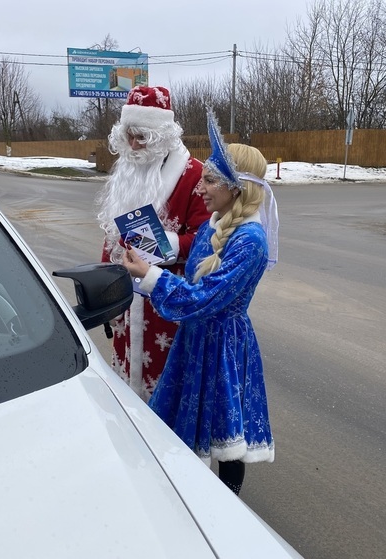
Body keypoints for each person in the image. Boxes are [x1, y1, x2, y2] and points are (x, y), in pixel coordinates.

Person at [120, 108, 279, 496]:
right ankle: (186, 493)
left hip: (223, 344)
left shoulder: (250, 241)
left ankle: (227, 504)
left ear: (236, 186)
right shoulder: (214, 225)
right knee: (187, 416)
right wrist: (141, 275)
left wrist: (150, 277)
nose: (200, 188)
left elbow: (205, 298)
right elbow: (191, 284)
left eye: (209, 180)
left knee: (224, 429)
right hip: (197, 338)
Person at [96, 85, 211, 402]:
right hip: (126, 306)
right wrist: (105, 293)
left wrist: (158, 246)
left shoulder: (194, 176)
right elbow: (112, 235)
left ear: (162, 135)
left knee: (167, 393)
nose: (133, 145)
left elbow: (206, 239)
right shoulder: (126, 170)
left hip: (167, 306)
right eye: (128, 136)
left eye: (142, 137)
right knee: (128, 388)